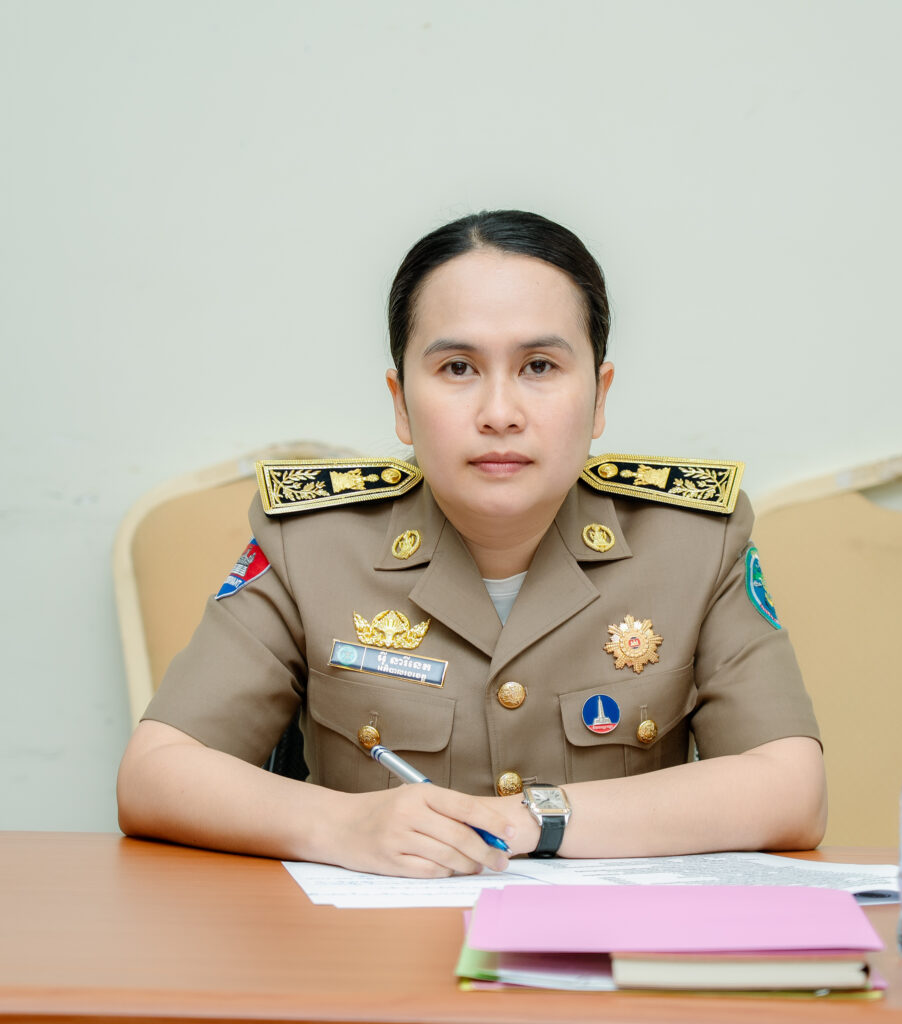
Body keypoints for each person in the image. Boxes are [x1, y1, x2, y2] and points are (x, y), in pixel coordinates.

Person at [117, 210, 825, 878]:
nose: (499, 413)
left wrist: (533, 819)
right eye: (458, 368)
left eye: (539, 367)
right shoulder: (312, 543)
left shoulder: (693, 543)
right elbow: (155, 771)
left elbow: (792, 788)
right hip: (368, 952)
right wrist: (343, 825)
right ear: (400, 401)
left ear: (599, 396)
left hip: (607, 953)